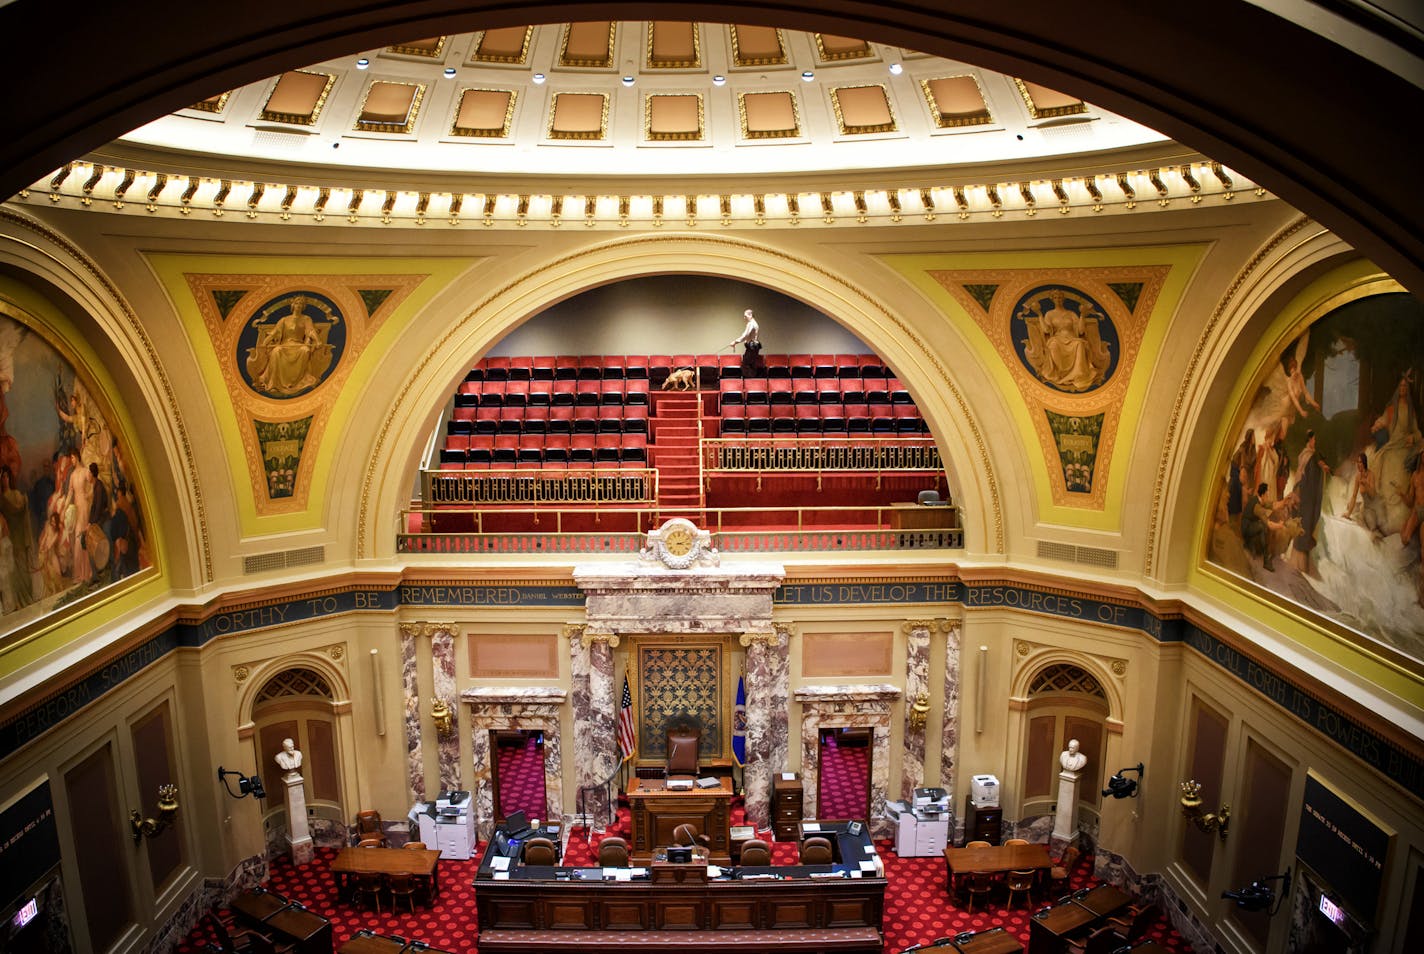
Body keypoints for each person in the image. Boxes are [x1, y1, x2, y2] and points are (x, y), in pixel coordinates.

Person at [730, 308, 763, 374]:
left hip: (751, 348)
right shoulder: (755, 323)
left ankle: (748, 382)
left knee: (746, 366)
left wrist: (735, 342)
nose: (744, 318)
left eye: (745, 316)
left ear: (750, 315)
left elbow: (745, 335)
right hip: (754, 348)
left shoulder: (751, 323)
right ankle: (751, 382)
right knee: (752, 366)